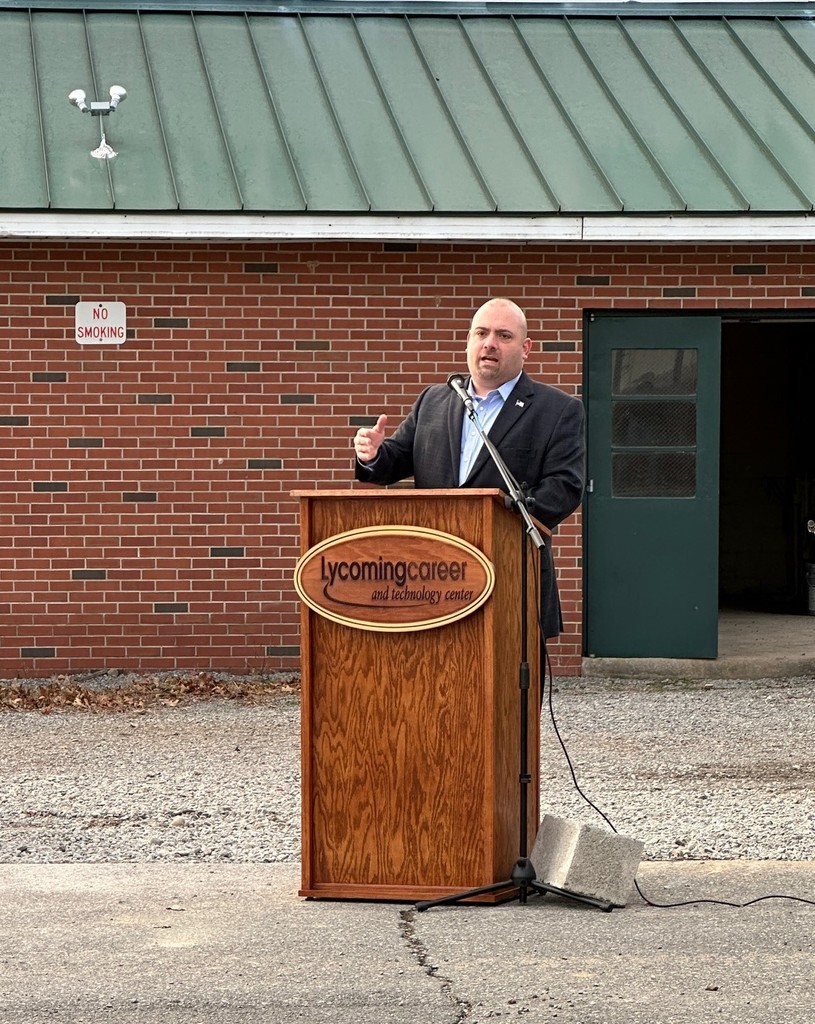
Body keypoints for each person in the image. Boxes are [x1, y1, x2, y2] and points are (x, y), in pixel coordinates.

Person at [353, 297, 585, 637]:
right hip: (432, 578)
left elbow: (564, 488)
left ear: (526, 348)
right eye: (482, 333)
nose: (490, 344)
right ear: (468, 341)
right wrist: (372, 454)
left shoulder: (558, 410)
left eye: (504, 336)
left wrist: (495, 516)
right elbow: (395, 460)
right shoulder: (434, 400)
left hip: (510, 576)